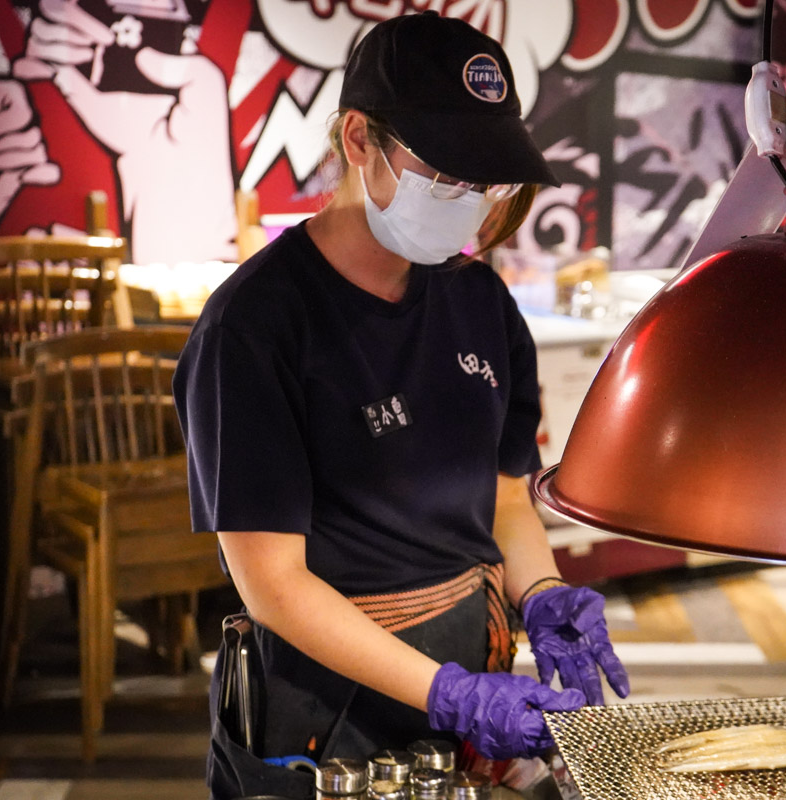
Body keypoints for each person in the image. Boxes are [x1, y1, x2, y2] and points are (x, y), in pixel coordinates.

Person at [173, 12, 629, 800]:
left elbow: (503, 493)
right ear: (359, 141)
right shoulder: (255, 327)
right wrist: (447, 692)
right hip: (326, 702)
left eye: (485, 179)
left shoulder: (478, 299)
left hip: (468, 666)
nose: (471, 201)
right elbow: (273, 585)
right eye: (446, 173)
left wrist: (542, 592)